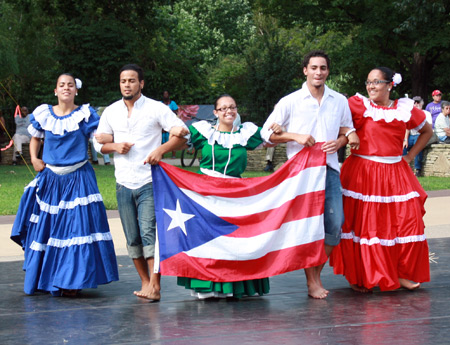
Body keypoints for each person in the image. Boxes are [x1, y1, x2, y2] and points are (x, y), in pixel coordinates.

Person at [261, 50, 359, 299]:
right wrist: (295, 136)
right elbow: (266, 135)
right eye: (313, 68)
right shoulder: (290, 101)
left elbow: (346, 128)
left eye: (323, 68)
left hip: (329, 169)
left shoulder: (339, 100)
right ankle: (312, 281)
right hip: (301, 175)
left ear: (328, 71)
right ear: (305, 70)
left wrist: (341, 141)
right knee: (308, 229)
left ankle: (315, 275)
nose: (318, 72)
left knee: (334, 227)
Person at [10, 73, 119, 296]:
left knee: (77, 228)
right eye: (62, 85)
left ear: (76, 90)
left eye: (70, 85)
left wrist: (114, 141)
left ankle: (72, 281)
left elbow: (98, 137)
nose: (66, 88)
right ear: (56, 91)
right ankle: (45, 277)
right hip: (51, 178)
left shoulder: (85, 114)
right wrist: (34, 158)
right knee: (47, 229)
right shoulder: (43, 114)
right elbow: (36, 138)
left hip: (78, 177)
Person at [329, 67, 433, 292]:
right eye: (368, 82)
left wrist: (411, 156)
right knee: (367, 226)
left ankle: (402, 272)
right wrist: (349, 134)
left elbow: (427, 131)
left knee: (408, 221)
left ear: (389, 85)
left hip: (395, 172)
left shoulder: (404, 109)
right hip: (363, 172)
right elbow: (338, 125)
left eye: (376, 82)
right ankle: (363, 275)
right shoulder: (357, 105)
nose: (371, 86)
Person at [93, 64, 188, 302]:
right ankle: (145, 282)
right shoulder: (111, 111)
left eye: (132, 81)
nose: (127, 84)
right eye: (123, 81)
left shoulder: (156, 108)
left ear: (141, 84)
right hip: (123, 181)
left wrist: (162, 149)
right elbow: (98, 143)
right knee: (131, 236)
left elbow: (182, 132)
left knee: (149, 233)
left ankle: (155, 286)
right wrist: (115, 145)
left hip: (149, 181)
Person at [176, 94, 280, 299]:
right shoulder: (203, 131)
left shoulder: (246, 133)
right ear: (215, 113)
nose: (228, 111)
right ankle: (207, 285)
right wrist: (159, 150)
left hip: (235, 193)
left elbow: (271, 139)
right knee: (210, 239)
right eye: (223, 108)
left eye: (232, 107)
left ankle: (237, 286)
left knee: (236, 240)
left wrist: (295, 136)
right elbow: (180, 141)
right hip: (207, 192)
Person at [403, 96, 433, 176]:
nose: (416, 104)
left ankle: (418, 169)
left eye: (418, 102)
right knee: (402, 145)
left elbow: (428, 129)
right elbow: (407, 128)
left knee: (418, 143)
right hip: (411, 136)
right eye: (414, 102)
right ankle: (405, 166)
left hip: (420, 135)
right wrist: (405, 140)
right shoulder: (409, 113)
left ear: (422, 103)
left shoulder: (426, 113)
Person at [161, 90, 179, 159]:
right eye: (164, 94)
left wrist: (168, 112)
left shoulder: (172, 103)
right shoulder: (160, 103)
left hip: (171, 123)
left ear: (169, 95)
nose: (165, 95)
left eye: (166, 94)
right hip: (162, 123)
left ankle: (173, 155)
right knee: (162, 140)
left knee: (172, 139)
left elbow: (176, 111)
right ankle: (162, 155)